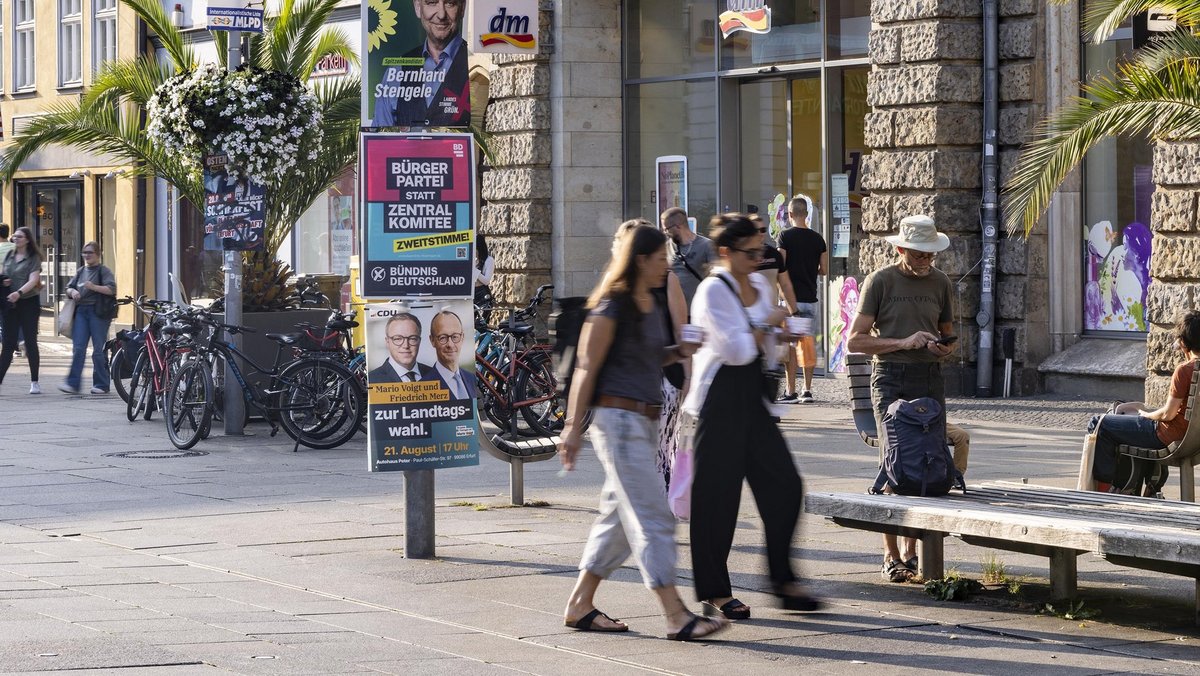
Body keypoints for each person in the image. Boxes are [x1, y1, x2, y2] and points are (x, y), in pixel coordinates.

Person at [557, 223, 727, 642]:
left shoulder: (648, 302)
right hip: (618, 423)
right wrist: (571, 429)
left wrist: (680, 351)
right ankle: (675, 614)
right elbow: (586, 368)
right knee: (654, 517)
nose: (666, 265)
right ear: (640, 260)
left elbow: (649, 357)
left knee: (617, 520)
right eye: (659, 259)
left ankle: (580, 604)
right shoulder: (612, 305)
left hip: (644, 423)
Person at [684, 213, 820, 620]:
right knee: (717, 499)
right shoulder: (713, 290)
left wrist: (781, 335)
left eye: (761, 251)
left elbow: (762, 349)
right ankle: (715, 591)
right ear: (726, 252)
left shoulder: (759, 285)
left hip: (753, 398)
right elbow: (735, 350)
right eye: (750, 253)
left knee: (786, 487)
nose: (758, 259)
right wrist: (767, 323)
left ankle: (783, 579)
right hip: (719, 399)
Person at [847, 214, 956, 583]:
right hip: (891, 377)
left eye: (931, 254)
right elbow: (856, 341)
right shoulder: (880, 281)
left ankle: (913, 552)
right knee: (894, 464)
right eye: (919, 254)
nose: (926, 260)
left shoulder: (941, 282)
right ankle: (890, 556)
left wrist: (943, 348)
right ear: (901, 250)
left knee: (927, 464)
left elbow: (947, 333)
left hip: (929, 377)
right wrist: (903, 342)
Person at [612, 219, 689, 488]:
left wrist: (688, 375)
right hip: (629, 387)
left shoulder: (667, 280)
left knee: (662, 448)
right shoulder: (615, 290)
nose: (664, 262)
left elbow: (681, 329)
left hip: (665, 380)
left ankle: (662, 498)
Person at [1088, 310, 1200, 494]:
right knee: (1126, 422)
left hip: (1168, 435)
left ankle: (1103, 491)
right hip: (1194, 441)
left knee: (1099, 423)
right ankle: (1148, 483)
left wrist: (1147, 415)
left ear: (1183, 343)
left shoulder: (1185, 370)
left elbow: (1168, 414)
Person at [373, 0, 469, 127]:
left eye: (450, 3)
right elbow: (380, 136)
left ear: (462, 8)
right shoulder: (397, 71)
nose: (441, 15)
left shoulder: (475, 64)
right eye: (432, 3)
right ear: (418, 7)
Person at [778, 196, 827, 404]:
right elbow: (824, 269)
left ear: (790, 214)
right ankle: (807, 390)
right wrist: (810, 269)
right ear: (806, 214)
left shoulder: (784, 236)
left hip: (791, 301)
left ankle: (790, 391)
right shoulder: (818, 239)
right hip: (810, 298)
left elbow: (780, 266)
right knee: (807, 345)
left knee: (791, 347)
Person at [58, 241, 117, 395]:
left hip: (98, 313)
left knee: (99, 349)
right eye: (84, 252)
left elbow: (112, 289)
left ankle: (101, 384)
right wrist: (73, 292)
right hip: (81, 312)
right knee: (78, 348)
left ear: (98, 254)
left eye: (90, 252)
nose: (86, 255)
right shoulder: (81, 271)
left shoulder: (104, 271)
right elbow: (68, 288)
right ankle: (73, 383)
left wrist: (93, 287)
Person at [0, 226, 44, 394]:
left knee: (30, 342)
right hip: (10, 304)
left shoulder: (33, 258)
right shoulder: (9, 255)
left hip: (28, 303)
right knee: (8, 344)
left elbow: (33, 280)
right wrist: (4, 280)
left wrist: (18, 293)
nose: (15, 238)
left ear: (27, 240)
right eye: (15, 236)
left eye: (19, 236)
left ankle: (34, 382)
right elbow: (3, 273)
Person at [660, 207, 717, 309]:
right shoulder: (665, 248)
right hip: (675, 309)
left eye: (666, 229)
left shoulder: (707, 245)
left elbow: (715, 277)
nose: (665, 233)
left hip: (699, 308)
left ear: (678, 226)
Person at [369, 312, 434, 383]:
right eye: (398, 339)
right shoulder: (372, 380)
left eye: (412, 338)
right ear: (387, 342)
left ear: (419, 341)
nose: (406, 346)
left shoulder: (435, 375)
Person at [425, 309, 474, 400]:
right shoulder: (423, 386)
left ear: (462, 337)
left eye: (455, 337)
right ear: (432, 340)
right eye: (443, 338)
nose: (450, 345)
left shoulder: (471, 378)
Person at [474, 233, 495, 308]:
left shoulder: (489, 260)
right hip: (472, 294)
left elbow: (486, 281)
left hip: (482, 294)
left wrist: (474, 270)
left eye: (474, 249)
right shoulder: (474, 260)